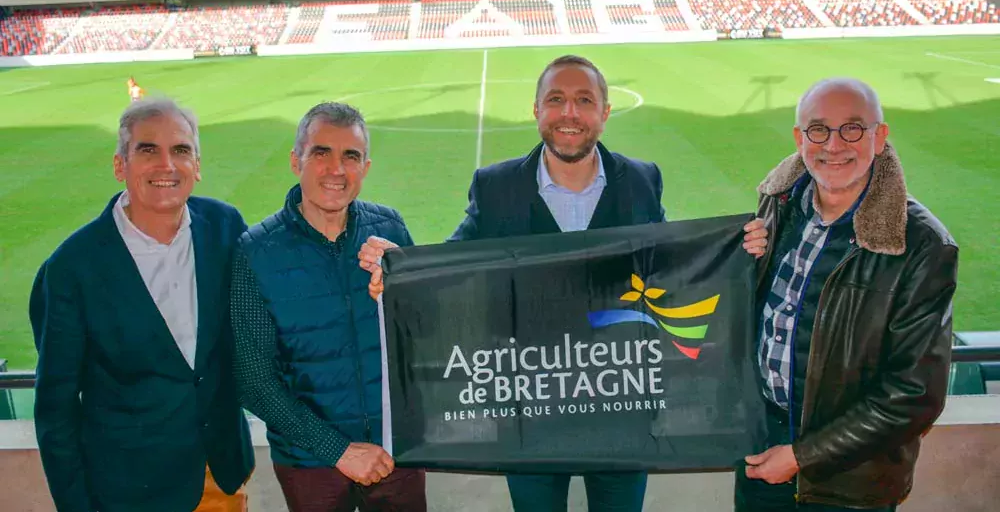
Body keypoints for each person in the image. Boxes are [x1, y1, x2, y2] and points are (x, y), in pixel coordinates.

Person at [359, 55, 768, 512]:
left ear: (605, 112)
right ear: (536, 110)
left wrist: (734, 248)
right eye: (556, 100)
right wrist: (398, 273)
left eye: (584, 101)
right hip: (528, 410)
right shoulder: (496, 187)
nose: (569, 114)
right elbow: (454, 266)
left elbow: (669, 267)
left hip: (624, 406)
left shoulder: (639, 179)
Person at [738, 78, 959, 511]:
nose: (834, 145)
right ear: (800, 139)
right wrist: (741, 262)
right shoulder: (777, 205)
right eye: (818, 129)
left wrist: (802, 456)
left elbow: (915, 394)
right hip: (760, 449)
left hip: (850, 480)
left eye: (853, 128)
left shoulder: (920, 243)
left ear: (880, 138)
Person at [30, 98, 254, 512]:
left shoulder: (225, 228)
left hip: (221, 474)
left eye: (181, 150)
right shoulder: (71, 268)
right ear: (120, 166)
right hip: (129, 491)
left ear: (197, 165)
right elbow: (55, 410)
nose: (166, 164)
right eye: (148, 149)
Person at [230, 102, 425, 512]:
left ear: (365, 167)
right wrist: (337, 450)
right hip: (309, 464)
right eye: (321, 153)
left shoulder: (389, 230)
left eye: (350, 156)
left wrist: (407, 287)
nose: (336, 169)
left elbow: (427, 336)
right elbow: (253, 380)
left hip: (397, 453)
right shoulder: (255, 251)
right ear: (295, 161)